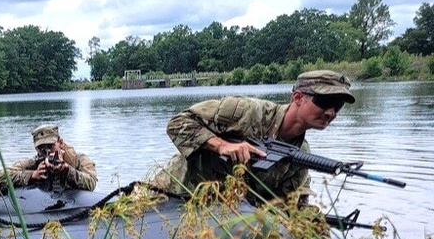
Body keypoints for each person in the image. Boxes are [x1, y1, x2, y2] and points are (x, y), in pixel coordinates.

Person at [152, 70, 356, 205]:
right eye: (324, 102)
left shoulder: (301, 156)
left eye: (338, 106)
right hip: (172, 192)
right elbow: (177, 124)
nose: (331, 112)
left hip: (218, 216)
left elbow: (295, 204)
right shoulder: (246, 112)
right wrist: (221, 145)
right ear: (297, 98)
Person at [6, 124, 98, 191]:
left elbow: (91, 183)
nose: (47, 152)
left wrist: (67, 170)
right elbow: (1, 176)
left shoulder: (78, 159)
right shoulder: (34, 162)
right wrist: (32, 175)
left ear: (60, 143)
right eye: (41, 148)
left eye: (50, 146)